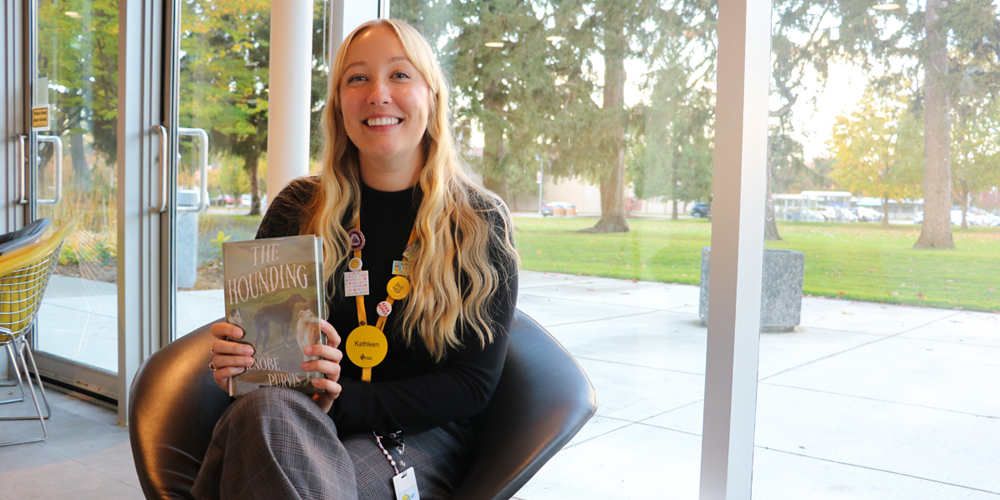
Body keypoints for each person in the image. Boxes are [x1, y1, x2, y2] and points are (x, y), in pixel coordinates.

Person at [193, 19, 519, 500]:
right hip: (289, 417)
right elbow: (264, 361)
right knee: (268, 416)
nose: (378, 94)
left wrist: (342, 404)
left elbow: (472, 384)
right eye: (357, 78)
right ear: (339, 105)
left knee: (269, 444)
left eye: (400, 75)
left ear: (432, 97)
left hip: (418, 438)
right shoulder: (297, 208)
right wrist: (236, 358)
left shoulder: (478, 222)